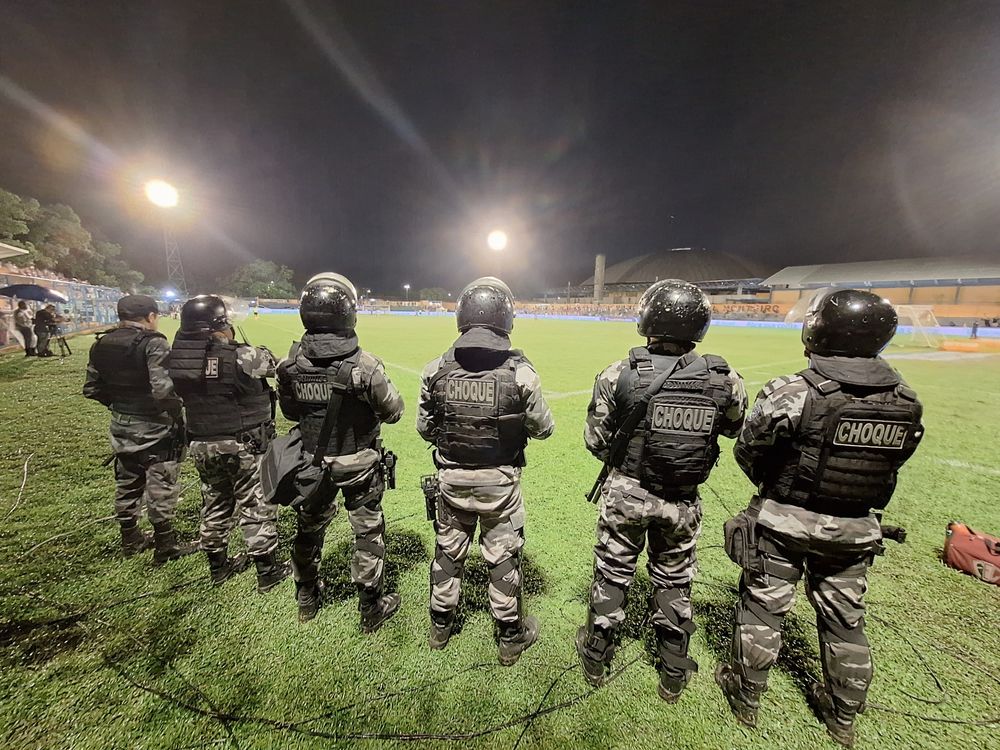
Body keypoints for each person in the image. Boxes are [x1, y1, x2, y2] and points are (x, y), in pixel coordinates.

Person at [715, 289, 924, 747]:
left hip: (785, 521)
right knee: (845, 620)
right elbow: (894, 462)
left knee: (762, 608)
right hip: (854, 529)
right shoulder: (906, 401)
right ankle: (842, 714)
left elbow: (750, 450)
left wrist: (776, 487)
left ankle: (746, 694)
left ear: (817, 330)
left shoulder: (792, 391)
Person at [576, 279, 747, 701]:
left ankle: (597, 653)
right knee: (674, 576)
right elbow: (734, 427)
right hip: (683, 500)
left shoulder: (618, 373)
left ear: (647, 319)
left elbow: (596, 440)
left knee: (613, 570)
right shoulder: (725, 378)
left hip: (627, 492)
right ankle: (673, 667)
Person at [417, 277, 554, 665]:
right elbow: (543, 429)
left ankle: (440, 626)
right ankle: (510, 637)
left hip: (451, 480)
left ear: (461, 318)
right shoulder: (520, 373)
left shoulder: (436, 371)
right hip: (500, 483)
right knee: (502, 556)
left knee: (448, 551)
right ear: (506, 319)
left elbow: (425, 428)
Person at [274, 273, 405, 627]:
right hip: (359, 462)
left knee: (309, 528)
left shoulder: (289, 367)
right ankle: (370, 607)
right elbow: (393, 411)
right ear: (349, 314)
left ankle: (306, 599)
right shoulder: (364, 366)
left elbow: (289, 413)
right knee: (367, 531)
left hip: (311, 463)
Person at [168, 295, 290, 592]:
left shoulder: (179, 360)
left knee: (215, 500)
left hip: (201, 443)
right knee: (256, 503)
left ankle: (218, 566)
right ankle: (266, 570)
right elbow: (276, 367)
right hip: (243, 443)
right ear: (220, 325)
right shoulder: (243, 356)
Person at [83, 294, 193, 561]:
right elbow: (163, 389)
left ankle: (130, 537)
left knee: (127, 482)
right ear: (151, 317)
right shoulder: (153, 343)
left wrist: (121, 404)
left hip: (121, 424)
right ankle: (165, 544)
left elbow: (92, 388)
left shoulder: (101, 344)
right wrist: (177, 411)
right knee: (161, 481)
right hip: (156, 426)